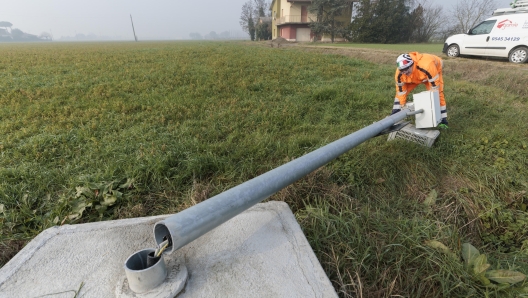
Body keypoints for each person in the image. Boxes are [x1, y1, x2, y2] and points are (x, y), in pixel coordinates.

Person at [391, 52, 448, 128]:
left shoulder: (427, 66)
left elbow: (435, 88)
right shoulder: (400, 74)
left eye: (406, 69)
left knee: (437, 95)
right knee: (399, 95)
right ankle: (394, 115)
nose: (404, 72)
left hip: (433, 72)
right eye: (402, 70)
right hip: (415, 76)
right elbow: (401, 91)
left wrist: (432, 100)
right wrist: (401, 103)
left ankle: (443, 120)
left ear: (412, 64)